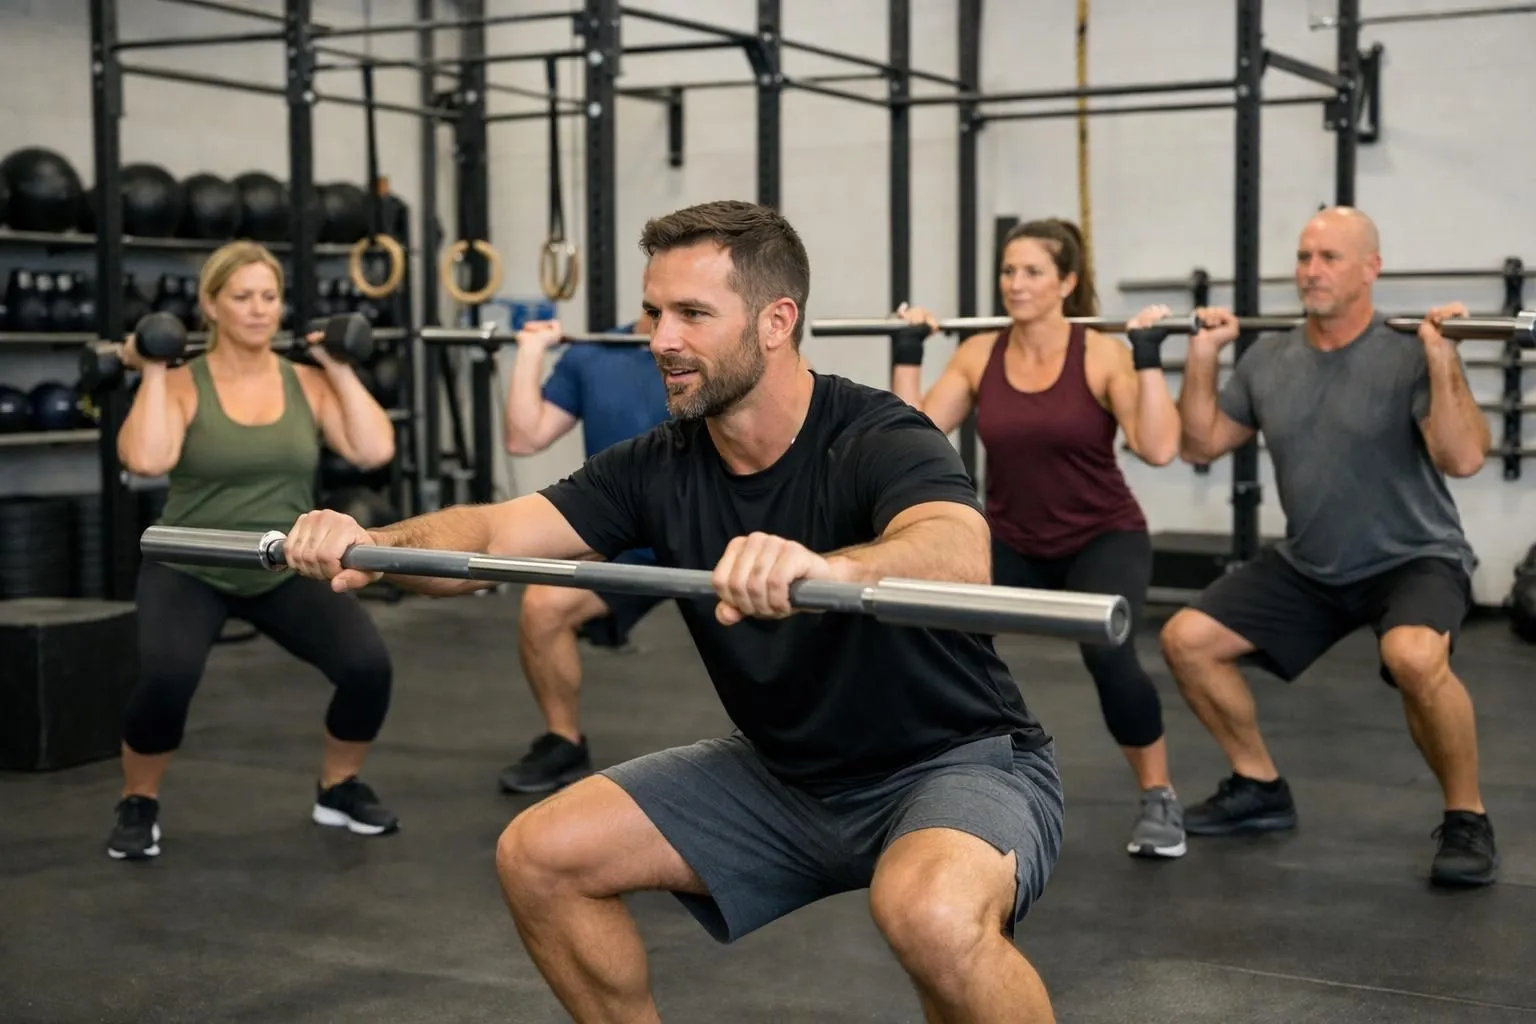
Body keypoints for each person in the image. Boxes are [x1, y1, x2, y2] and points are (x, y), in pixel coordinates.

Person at [282, 199, 1067, 1022]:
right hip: (785, 773)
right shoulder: (655, 466)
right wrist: (369, 541)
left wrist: (823, 566)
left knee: (931, 915)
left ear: (776, 321)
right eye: (655, 312)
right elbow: (487, 534)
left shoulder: (874, 433)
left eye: (692, 314)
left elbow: (956, 551)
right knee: (540, 856)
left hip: (954, 760)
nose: (661, 339)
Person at [1160, 206, 1497, 887]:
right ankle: (1259, 787)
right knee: (1186, 639)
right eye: (1305, 257)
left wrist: (1443, 358)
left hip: (1413, 554)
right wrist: (1203, 357)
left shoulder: (1406, 351)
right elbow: (1199, 444)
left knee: (1412, 655)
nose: (1312, 271)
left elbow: (1463, 460)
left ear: (1371, 268)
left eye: (1331, 258)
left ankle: (1468, 815)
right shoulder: (1270, 358)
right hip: (1313, 561)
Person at [892, 218, 1186, 859]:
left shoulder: (1103, 353)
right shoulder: (979, 354)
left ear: (1067, 282)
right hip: (1013, 539)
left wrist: (1150, 357)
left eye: (1031, 272)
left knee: (1109, 653)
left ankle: (1159, 796)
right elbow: (909, 432)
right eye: (1008, 271)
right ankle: (945, 775)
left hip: (1101, 536)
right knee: (939, 634)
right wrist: (908, 350)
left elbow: (1160, 447)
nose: (1015, 284)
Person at [107, 240, 400, 862]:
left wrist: (339, 365)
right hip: (190, 562)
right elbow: (145, 459)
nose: (260, 309)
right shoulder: (185, 383)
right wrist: (155, 367)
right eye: (242, 297)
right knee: (166, 680)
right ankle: (139, 799)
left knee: (367, 667)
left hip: (283, 559)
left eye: (270, 296)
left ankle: (338, 787)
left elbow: (374, 451)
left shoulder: (307, 382)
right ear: (211, 306)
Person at [498, 310, 670, 794]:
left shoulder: (720, 349)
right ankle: (563, 743)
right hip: (627, 541)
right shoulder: (593, 354)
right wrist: (530, 355)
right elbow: (523, 437)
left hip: (717, 532)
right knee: (542, 606)